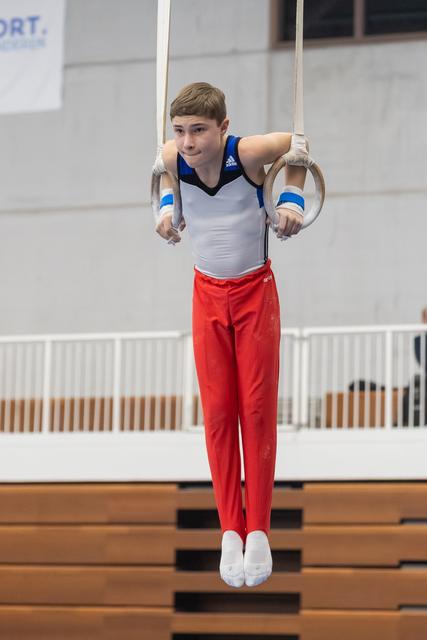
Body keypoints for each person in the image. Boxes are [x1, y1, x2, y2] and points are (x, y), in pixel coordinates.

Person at [155, 82, 307, 588]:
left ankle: (259, 528)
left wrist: (290, 199)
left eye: (199, 130)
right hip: (206, 295)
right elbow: (163, 179)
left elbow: (300, 145)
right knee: (219, 413)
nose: (189, 142)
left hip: (254, 293)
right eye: (180, 132)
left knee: (256, 409)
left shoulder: (248, 152)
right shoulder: (172, 157)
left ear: (223, 127)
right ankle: (230, 529)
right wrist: (164, 209)